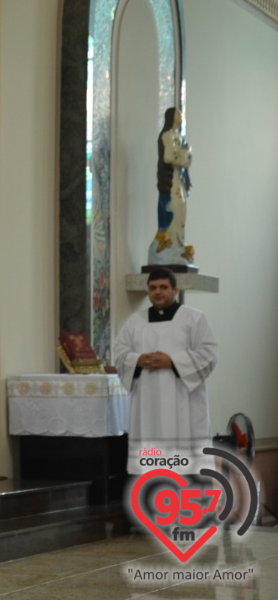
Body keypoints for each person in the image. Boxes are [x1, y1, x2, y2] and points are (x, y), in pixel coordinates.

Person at [113, 267, 217, 476]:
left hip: (183, 400)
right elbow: (120, 354)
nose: (157, 292)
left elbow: (209, 353)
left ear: (175, 290)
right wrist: (138, 359)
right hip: (147, 401)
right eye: (153, 288)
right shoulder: (136, 321)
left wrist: (173, 362)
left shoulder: (193, 318)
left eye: (163, 287)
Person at [150, 107, 194, 264]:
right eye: (177, 113)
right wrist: (185, 153)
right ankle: (168, 245)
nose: (180, 115)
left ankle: (178, 246)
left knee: (181, 212)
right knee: (173, 211)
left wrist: (185, 155)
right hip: (171, 182)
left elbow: (187, 160)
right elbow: (169, 157)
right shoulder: (167, 135)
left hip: (179, 180)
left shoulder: (179, 137)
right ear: (171, 117)